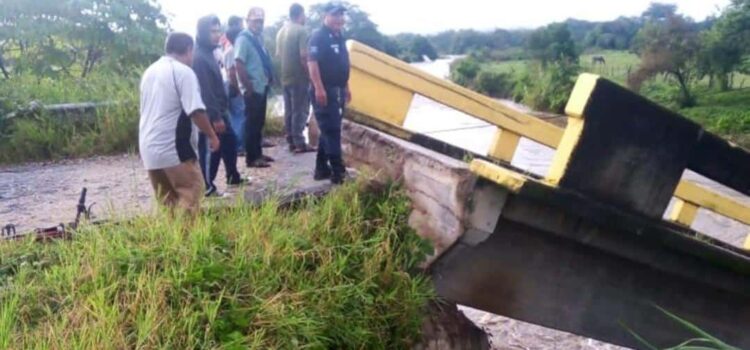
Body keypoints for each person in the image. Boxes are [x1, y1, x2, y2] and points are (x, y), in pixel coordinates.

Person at [139, 32, 220, 215]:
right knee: (191, 195)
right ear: (189, 49)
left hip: (149, 149)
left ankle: (173, 242)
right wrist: (212, 136)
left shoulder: (150, 71)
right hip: (174, 148)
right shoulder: (183, 72)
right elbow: (196, 111)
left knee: (169, 205)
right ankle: (189, 242)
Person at [193, 15, 246, 197]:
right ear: (203, 32)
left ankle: (233, 176)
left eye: (218, 30)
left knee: (230, 142)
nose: (217, 35)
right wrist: (215, 117)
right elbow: (206, 91)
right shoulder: (199, 57)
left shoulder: (211, 53)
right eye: (213, 31)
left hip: (221, 109)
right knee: (211, 149)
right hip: (210, 113)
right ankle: (207, 185)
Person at [308, 3, 351, 185]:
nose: (339, 19)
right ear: (325, 16)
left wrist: (346, 85)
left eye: (341, 15)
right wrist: (319, 87)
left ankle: (321, 169)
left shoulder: (339, 35)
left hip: (338, 89)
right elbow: (312, 63)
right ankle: (338, 172)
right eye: (335, 15)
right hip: (324, 91)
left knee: (329, 129)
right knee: (331, 130)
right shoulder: (318, 37)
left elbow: (342, 63)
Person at [235, 7, 275, 168]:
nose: (259, 24)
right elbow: (238, 62)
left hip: (261, 85)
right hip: (253, 88)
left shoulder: (258, 38)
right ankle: (252, 157)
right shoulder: (243, 39)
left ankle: (258, 153)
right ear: (247, 21)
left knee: (259, 122)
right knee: (252, 123)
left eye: (261, 21)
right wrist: (248, 86)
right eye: (256, 21)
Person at [277, 3, 316, 154]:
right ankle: (300, 142)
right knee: (300, 110)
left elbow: (278, 55)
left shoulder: (281, 31)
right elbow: (303, 56)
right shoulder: (301, 31)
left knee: (289, 110)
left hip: (285, 76)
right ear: (300, 14)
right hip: (299, 77)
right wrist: (310, 75)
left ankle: (291, 140)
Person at [223, 21, 246, 154]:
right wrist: (238, 88)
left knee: (235, 115)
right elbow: (231, 72)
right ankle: (238, 146)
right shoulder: (232, 50)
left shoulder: (229, 49)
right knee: (239, 115)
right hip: (233, 85)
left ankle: (238, 144)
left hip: (230, 85)